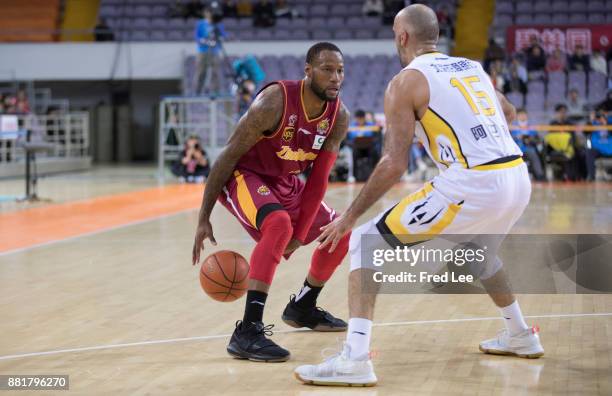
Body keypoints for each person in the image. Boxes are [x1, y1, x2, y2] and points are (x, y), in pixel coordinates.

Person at [294, 5, 543, 386]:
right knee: (480, 253)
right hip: (516, 175)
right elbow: (507, 112)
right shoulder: (472, 68)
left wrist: (349, 217)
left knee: (364, 241)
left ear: (402, 37)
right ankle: (521, 335)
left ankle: (355, 359)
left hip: (472, 183)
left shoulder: (405, 82)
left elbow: (393, 163)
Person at [192, 42, 351, 363]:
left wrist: (300, 233)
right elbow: (227, 156)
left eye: (340, 71)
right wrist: (203, 216)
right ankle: (247, 331)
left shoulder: (338, 117)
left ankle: (303, 305)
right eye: (327, 69)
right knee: (278, 225)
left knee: (341, 230)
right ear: (308, 71)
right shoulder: (273, 102)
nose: (336, 78)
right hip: (245, 176)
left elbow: (318, 180)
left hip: (285, 181)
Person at [195, 7, 227, 95]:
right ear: (205, 13)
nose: (210, 14)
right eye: (208, 12)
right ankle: (197, 92)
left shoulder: (218, 24)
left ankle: (216, 91)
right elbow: (197, 37)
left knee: (215, 72)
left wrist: (219, 40)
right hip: (202, 51)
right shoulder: (200, 24)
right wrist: (205, 41)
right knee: (201, 71)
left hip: (215, 51)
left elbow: (223, 36)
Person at [511, 109, 546, 181]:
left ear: (527, 116)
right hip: (516, 149)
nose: (522, 116)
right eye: (520, 115)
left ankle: (539, 175)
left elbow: (537, 138)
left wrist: (530, 139)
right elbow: (510, 138)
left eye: (524, 115)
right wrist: (518, 137)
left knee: (533, 153)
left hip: (529, 148)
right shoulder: (513, 127)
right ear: (517, 116)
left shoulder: (531, 127)